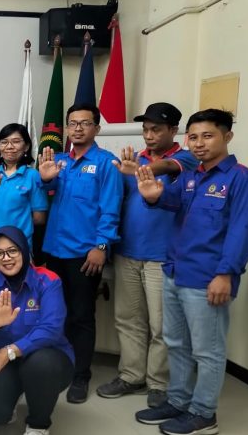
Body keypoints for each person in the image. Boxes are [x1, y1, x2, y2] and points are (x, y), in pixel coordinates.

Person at [133, 109, 248, 435]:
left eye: (208, 136)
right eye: (193, 137)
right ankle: (178, 401)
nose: (199, 143)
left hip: (208, 279)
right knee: (176, 343)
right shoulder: (191, 176)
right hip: (175, 271)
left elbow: (242, 232)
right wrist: (153, 197)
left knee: (208, 351)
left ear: (227, 136)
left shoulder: (243, 179)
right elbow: (169, 200)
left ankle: (204, 415)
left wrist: (226, 274)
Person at [96, 103, 197, 408]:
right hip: (128, 251)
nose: (149, 135)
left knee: (162, 325)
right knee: (128, 319)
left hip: (162, 256)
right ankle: (131, 375)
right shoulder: (135, 160)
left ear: (173, 131)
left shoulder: (186, 158)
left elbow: (166, 168)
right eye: (145, 130)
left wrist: (143, 169)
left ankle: (159, 383)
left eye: (156, 130)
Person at [38, 103, 123, 404]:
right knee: (54, 312)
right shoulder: (59, 161)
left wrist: (101, 246)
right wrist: (45, 178)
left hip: (85, 254)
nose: (77, 128)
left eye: (84, 123)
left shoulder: (106, 163)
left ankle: (80, 375)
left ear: (96, 128)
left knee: (81, 316)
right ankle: (56, 366)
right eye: (72, 123)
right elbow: (44, 193)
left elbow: (111, 209)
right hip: (54, 250)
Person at [0, 226, 74, 435]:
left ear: (24, 250)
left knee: (41, 365)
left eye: (12, 250)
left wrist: (10, 351)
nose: (6, 258)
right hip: (1, 359)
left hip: (45, 357)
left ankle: (38, 424)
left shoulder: (48, 280)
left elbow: (51, 328)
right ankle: (11, 394)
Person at [0, 123, 47, 260]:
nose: (9, 146)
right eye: (4, 142)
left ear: (26, 146)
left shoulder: (32, 175)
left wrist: (15, 224)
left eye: (16, 141)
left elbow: (39, 218)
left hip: (17, 247)